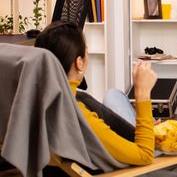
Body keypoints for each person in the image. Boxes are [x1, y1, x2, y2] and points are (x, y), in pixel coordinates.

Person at [35, 21, 157, 165]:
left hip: (118, 139)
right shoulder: (78, 115)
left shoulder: (39, 99)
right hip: (140, 160)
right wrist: (142, 94)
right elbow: (145, 155)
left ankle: (149, 129)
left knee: (113, 95)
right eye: (86, 50)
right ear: (79, 63)